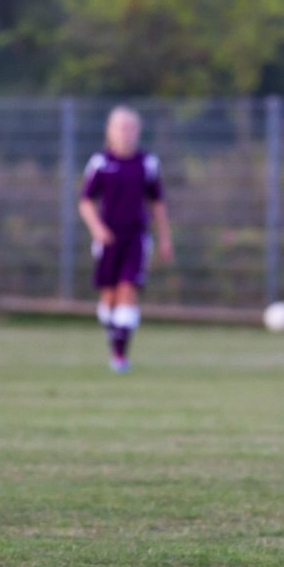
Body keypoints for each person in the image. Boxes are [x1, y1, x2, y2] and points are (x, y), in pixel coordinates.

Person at [78, 106, 173, 373]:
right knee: (108, 298)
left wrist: (165, 238)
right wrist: (97, 228)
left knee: (127, 289)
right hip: (108, 239)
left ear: (138, 131)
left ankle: (119, 356)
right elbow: (85, 201)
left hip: (136, 237)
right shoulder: (100, 163)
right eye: (121, 128)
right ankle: (115, 336)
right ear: (109, 131)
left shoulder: (147, 163)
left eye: (131, 128)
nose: (126, 133)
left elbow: (158, 204)